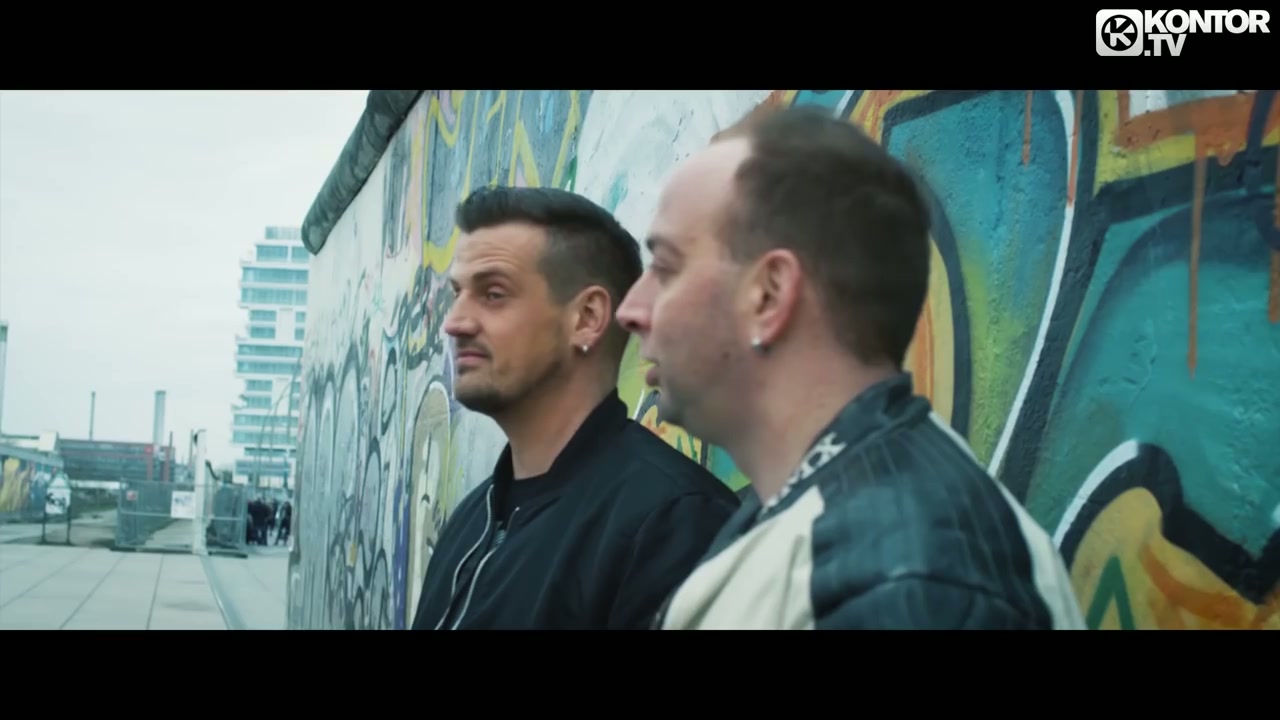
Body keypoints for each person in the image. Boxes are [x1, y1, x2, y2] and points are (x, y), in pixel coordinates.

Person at [615, 105, 1086, 630]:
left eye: (665, 266)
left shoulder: (902, 575)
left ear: (768, 294)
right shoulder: (832, 524)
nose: (630, 310)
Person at [410, 185, 740, 630]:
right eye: (457, 293)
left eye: (493, 294)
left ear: (586, 318)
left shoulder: (672, 525)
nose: (455, 322)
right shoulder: (471, 520)